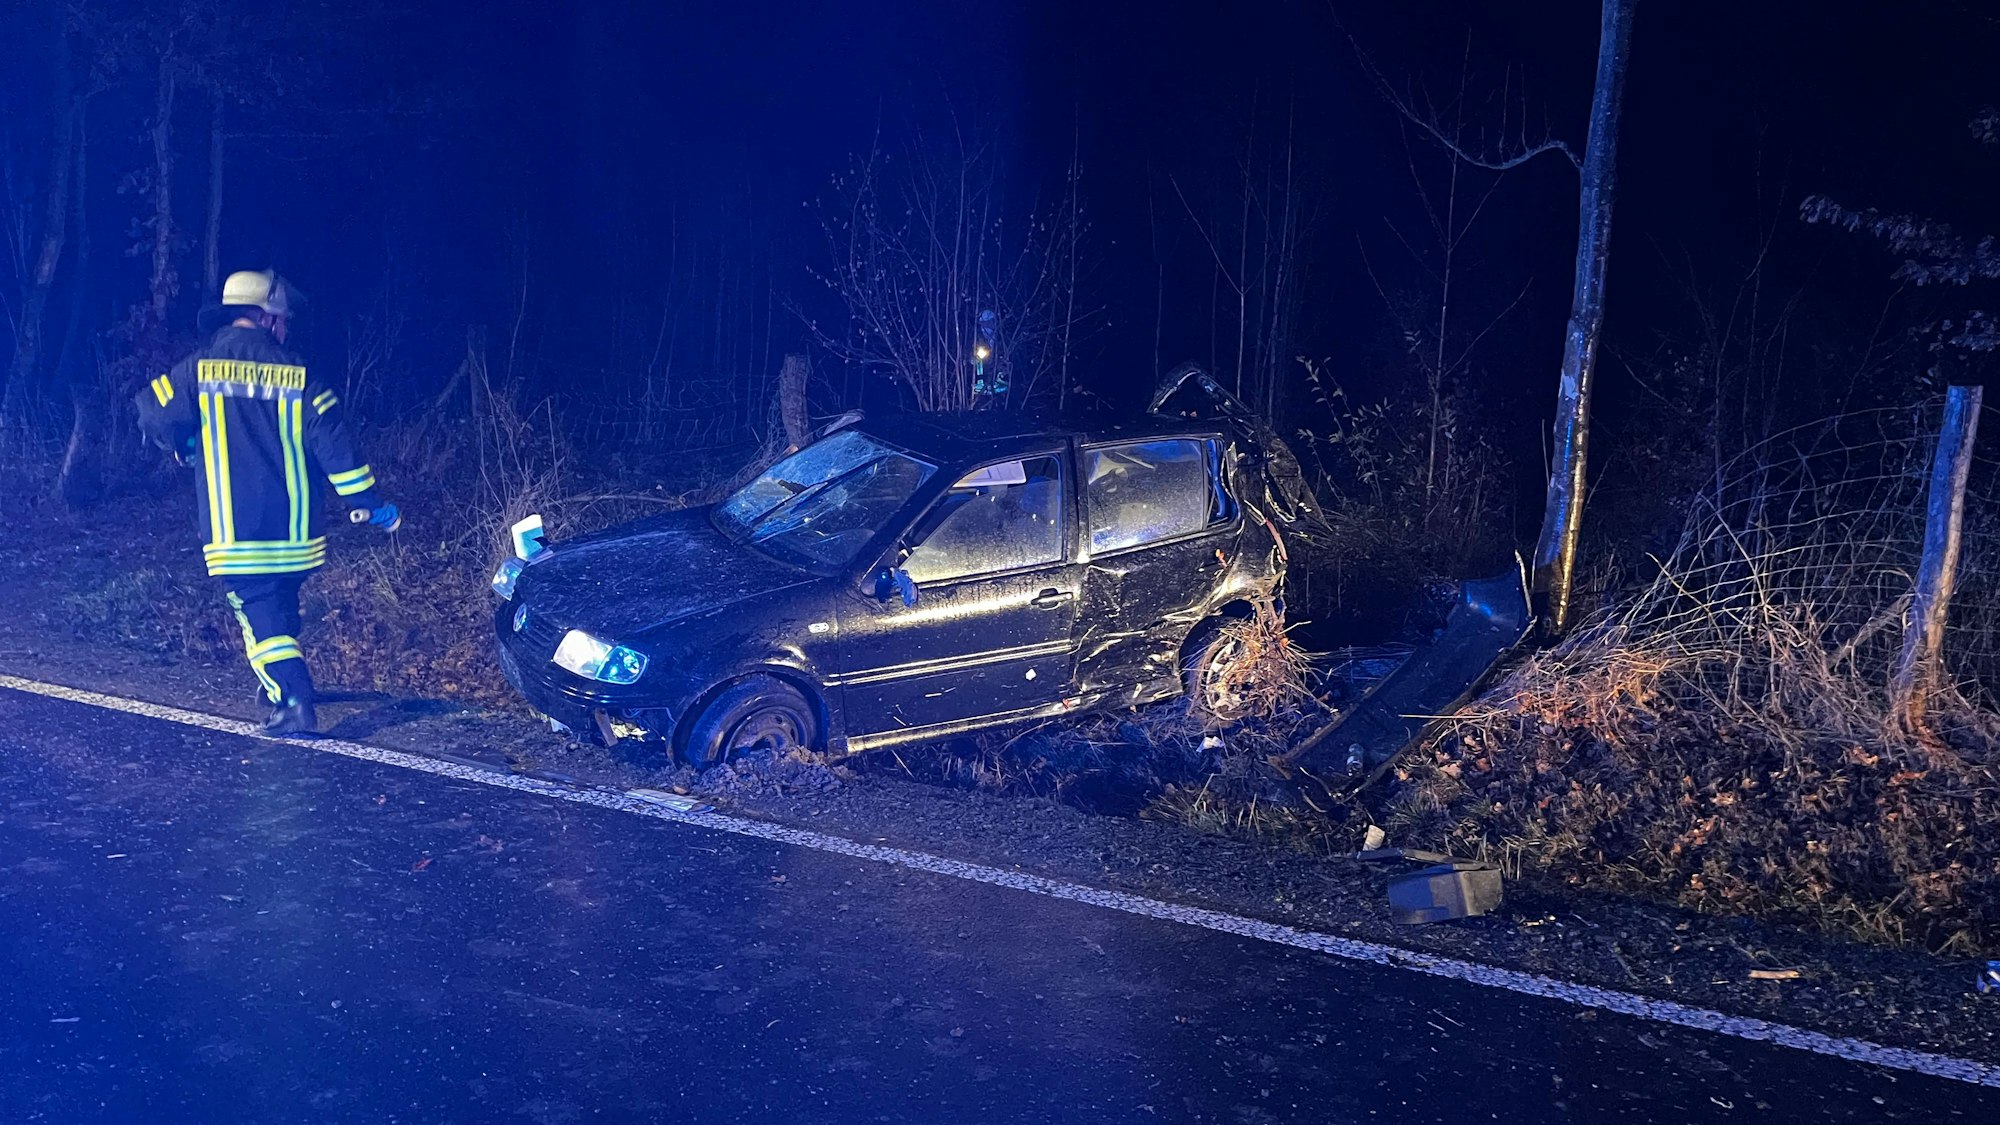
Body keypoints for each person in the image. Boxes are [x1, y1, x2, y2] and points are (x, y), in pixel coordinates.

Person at [134, 270, 400, 734]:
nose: (286, 328)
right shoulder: (301, 375)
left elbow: (151, 412)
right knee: (278, 604)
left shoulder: (198, 370)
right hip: (296, 529)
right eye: (284, 320)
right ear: (266, 317)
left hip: (234, 527)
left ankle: (292, 699)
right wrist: (366, 501)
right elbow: (335, 446)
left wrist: (184, 444)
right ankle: (278, 678)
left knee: (258, 614)